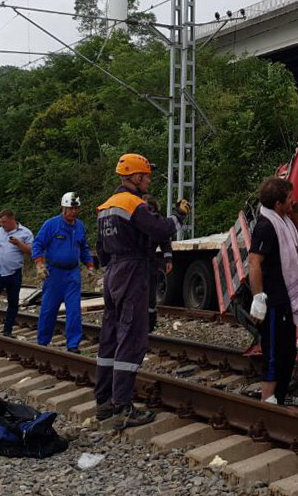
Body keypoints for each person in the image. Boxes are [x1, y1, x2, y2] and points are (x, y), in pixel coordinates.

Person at [95, 153, 188, 429]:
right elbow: (161, 228)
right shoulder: (132, 203)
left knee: (109, 338)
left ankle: (103, 402)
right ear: (136, 177)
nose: (148, 181)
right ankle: (122, 406)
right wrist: (181, 214)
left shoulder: (106, 206)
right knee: (132, 339)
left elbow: (100, 248)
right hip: (133, 271)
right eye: (147, 176)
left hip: (112, 271)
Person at [248, 176, 298, 407]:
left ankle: (279, 397)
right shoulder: (266, 226)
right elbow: (254, 262)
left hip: (285, 297)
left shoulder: (285, 220)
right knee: (273, 350)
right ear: (278, 204)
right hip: (273, 298)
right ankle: (268, 398)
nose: (293, 201)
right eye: (290, 199)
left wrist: (295, 213)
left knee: (287, 351)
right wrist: (259, 298)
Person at [32, 192, 94, 354]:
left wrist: (90, 266)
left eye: (76, 208)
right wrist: (39, 264)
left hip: (72, 273)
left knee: (74, 310)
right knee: (48, 309)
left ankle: (73, 345)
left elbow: (84, 248)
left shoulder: (79, 226)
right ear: (63, 208)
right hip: (54, 274)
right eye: (70, 208)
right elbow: (38, 244)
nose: (73, 211)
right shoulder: (51, 225)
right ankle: (42, 342)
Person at [0, 209, 33, 337]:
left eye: (4, 222)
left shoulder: (25, 233)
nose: (2, 225)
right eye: (0, 222)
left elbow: (31, 251)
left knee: (13, 302)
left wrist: (18, 243)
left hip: (14, 272)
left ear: (12, 220)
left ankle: (8, 330)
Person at [141, 196, 174, 334]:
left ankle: (149, 324)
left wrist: (168, 259)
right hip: (135, 262)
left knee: (150, 297)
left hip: (149, 263)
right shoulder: (136, 219)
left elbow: (165, 240)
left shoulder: (156, 223)